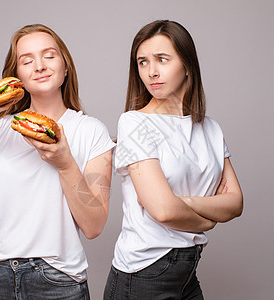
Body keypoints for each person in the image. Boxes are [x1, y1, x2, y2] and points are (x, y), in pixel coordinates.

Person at [0, 24, 115, 299]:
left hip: (58, 278)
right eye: (27, 61)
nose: (39, 65)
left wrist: (65, 164)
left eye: (49, 56)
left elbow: (94, 226)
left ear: (66, 68)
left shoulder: (91, 131)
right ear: (17, 77)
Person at [104, 20, 243, 299]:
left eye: (162, 60)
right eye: (142, 62)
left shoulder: (210, 128)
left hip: (187, 272)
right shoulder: (134, 123)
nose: (151, 71)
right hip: (144, 274)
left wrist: (183, 202)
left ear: (188, 65)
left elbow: (235, 203)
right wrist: (207, 219)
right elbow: (163, 211)